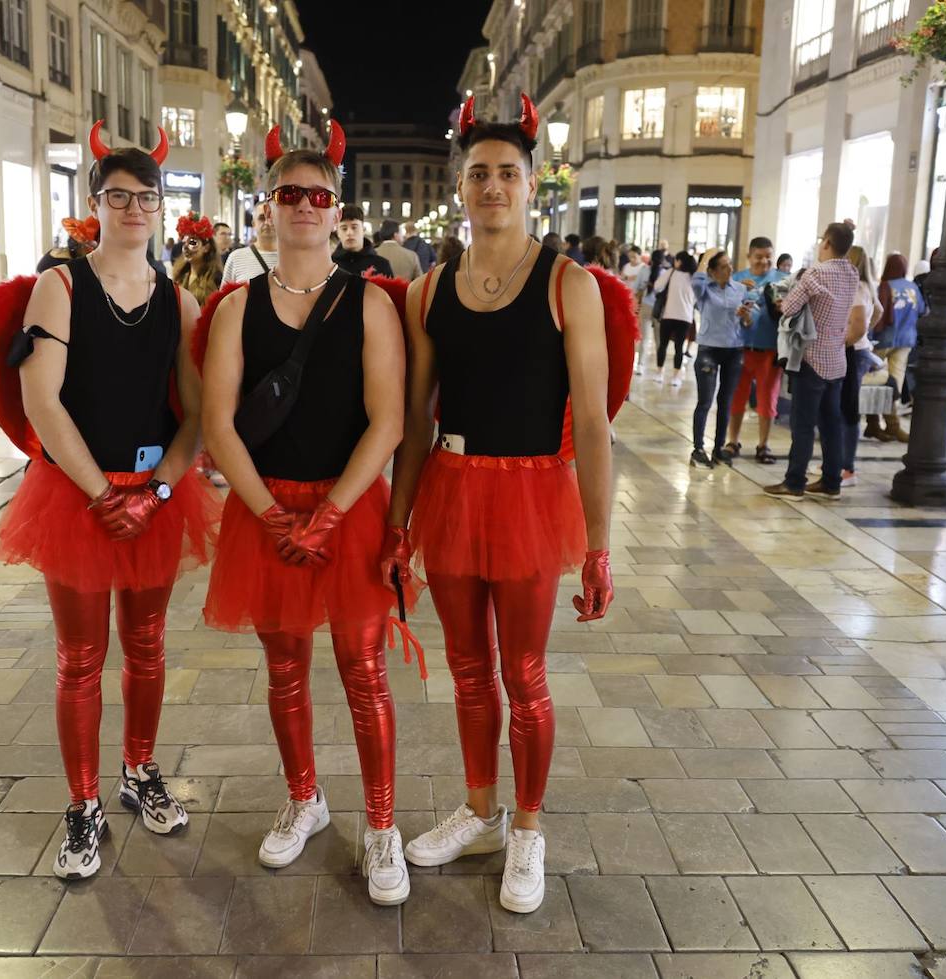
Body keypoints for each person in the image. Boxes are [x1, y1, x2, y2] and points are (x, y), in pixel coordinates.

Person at [388, 93, 613, 915]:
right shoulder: (431, 290)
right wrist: (396, 522)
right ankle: (480, 809)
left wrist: (598, 541)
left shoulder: (568, 283)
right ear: (462, 186)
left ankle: (527, 826)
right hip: (450, 488)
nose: (492, 186)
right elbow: (417, 421)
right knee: (467, 669)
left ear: (531, 186)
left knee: (524, 672)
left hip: (529, 494)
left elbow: (592, 422)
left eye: (506, 173)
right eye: (478, 172)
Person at [0, 121, 216, 878]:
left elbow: (197, 414)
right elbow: (42, 401)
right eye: (117, 195)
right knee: (81, 657)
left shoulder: (179, 302)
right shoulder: (60, 286)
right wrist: (101, 494)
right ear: (95, 203)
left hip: (149, 495)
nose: (132, 208)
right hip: (75, 493)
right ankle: (82, 803)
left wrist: (154, 493)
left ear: (159, 207)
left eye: (144, 196)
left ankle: (138, 770)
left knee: (148, 647)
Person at [200, 122, 415, 907]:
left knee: (365, 670)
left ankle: (383, 824)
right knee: (285, 666)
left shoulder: (370, 305)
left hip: (346, 503)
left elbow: (388, 420)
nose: (302, 206)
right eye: (288, 193)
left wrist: (328, 514)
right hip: (267, 513)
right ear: (267, 208)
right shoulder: (236, 307)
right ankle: (305, 796)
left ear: (336, 212)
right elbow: (219, 423)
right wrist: (268, 514)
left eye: (316, 196)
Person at [764, 222, 858, 500]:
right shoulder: (852, 272)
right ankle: (831, 481)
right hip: (837, 359)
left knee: (803, 424)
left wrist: (783, 301)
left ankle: (794, 482)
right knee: (831, 423)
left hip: (812, 357)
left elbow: (789, 308)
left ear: (827, 242)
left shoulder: (816, 272)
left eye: (821, 241)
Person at [723, 236, 785, 464]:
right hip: (738, 348)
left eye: (768, 256)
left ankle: (763, 444)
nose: (764, 261)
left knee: (767, 398)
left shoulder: (782, 280)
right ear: (749, 256)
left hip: (770, 349)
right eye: (758, 257)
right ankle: (732, 441)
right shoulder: (737, 279)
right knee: (736, 397)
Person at [688, 250, 751, 469]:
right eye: (723, 266)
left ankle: (718, 448)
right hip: (709, 350)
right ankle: (697, 448)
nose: (730, 269)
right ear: (712, 271)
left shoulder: (741, 289)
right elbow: (696, 280)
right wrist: (706, 258)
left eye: (730, 264)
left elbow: (747, 323)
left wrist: (745, 316)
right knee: (705, 401)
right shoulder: (704, 290)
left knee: (726, 402)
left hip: (734, 350)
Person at [840, 246, 884, 487]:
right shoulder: (867, 287)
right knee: (845, 408)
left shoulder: (855, 287)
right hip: (861, 350)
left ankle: (847, 468)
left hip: (853, 352)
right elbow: (878, 310)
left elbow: (858, 325)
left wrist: (847, 340)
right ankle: (841, 462)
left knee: (847, 411)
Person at [870, 254, 925, 442]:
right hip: (906, 342)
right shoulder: (913, 288)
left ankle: (877, 424)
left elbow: (874, 314)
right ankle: (885, 425)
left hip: (882, 341)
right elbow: (922, 310)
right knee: (894, 386)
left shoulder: (884, 287)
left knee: (874, 382)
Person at [653, 251, 697, 388]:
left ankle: (660, 373)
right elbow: (697, 296)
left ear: (679, 261)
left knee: (663, 345)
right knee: (679, 347)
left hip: (669, 314)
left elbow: (657, 286)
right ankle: (676, 377)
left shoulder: (671, 272)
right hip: (685, 317)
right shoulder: (694, 277)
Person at [171, 213, 222, 304]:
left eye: (193, 242)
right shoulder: (180, 276)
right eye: (184, 242)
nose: (186, 247)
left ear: (206, 248)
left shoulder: (217, 279)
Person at [223, 199, 279, 283]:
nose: (267, 222)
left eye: (271, 217)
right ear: (253, 224)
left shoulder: (294, 257)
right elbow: (225, 295)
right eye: (262, 218)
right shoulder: (236, 258)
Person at [333, 205, 393, 278]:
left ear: (363, 229)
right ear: (338, 233)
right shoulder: (330, 265)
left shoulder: (381, 265)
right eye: (344, 228)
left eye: (354, 227)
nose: (349, 233)